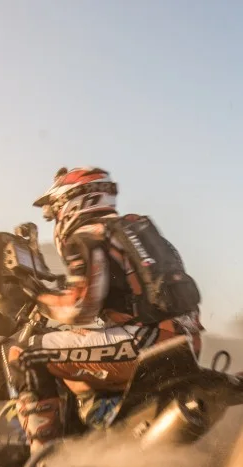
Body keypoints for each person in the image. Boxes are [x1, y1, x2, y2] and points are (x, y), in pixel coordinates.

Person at [11, 166, 204, 452]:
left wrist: (39, 296)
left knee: (24, 353)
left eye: (54, 210)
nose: (55, 217)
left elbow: (81, 308)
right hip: (185, 343)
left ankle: (42, 459)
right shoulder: (138, 232)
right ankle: (105, 424)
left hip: (144, 344)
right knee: (77, 344)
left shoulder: (86, 236)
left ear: (71, 201)